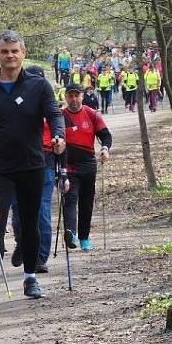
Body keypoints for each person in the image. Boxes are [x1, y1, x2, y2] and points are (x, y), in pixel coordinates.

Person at [0, 30, 65, 306]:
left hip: (31, 166)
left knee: (29, 222)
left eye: (15, 51)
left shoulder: (39, 86)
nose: (10, 56)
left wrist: (59, 136)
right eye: (4, 51)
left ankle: (30, 277)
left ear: (23, 53)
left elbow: (54, 115)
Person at [8, 65, 65, 276]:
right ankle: (22, 243)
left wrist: (60, 143)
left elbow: (60, 130)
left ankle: (40, 258)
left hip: (45, 165)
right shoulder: (16, 105)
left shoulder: (49, 110)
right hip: (17, 165)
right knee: (18, 213)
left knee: (41, 213)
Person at [62, 84, 112, 251]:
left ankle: (84, 237)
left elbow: (105, 135)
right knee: (69, 199)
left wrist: (105, 149)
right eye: (70, 96)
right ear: (66, 97)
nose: (74, 99)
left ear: (82, 97)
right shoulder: (61, 116)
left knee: (86, 203)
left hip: (88, 166)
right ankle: (71, 234)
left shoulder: (92, 114)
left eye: (77, 96)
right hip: (68, 166)